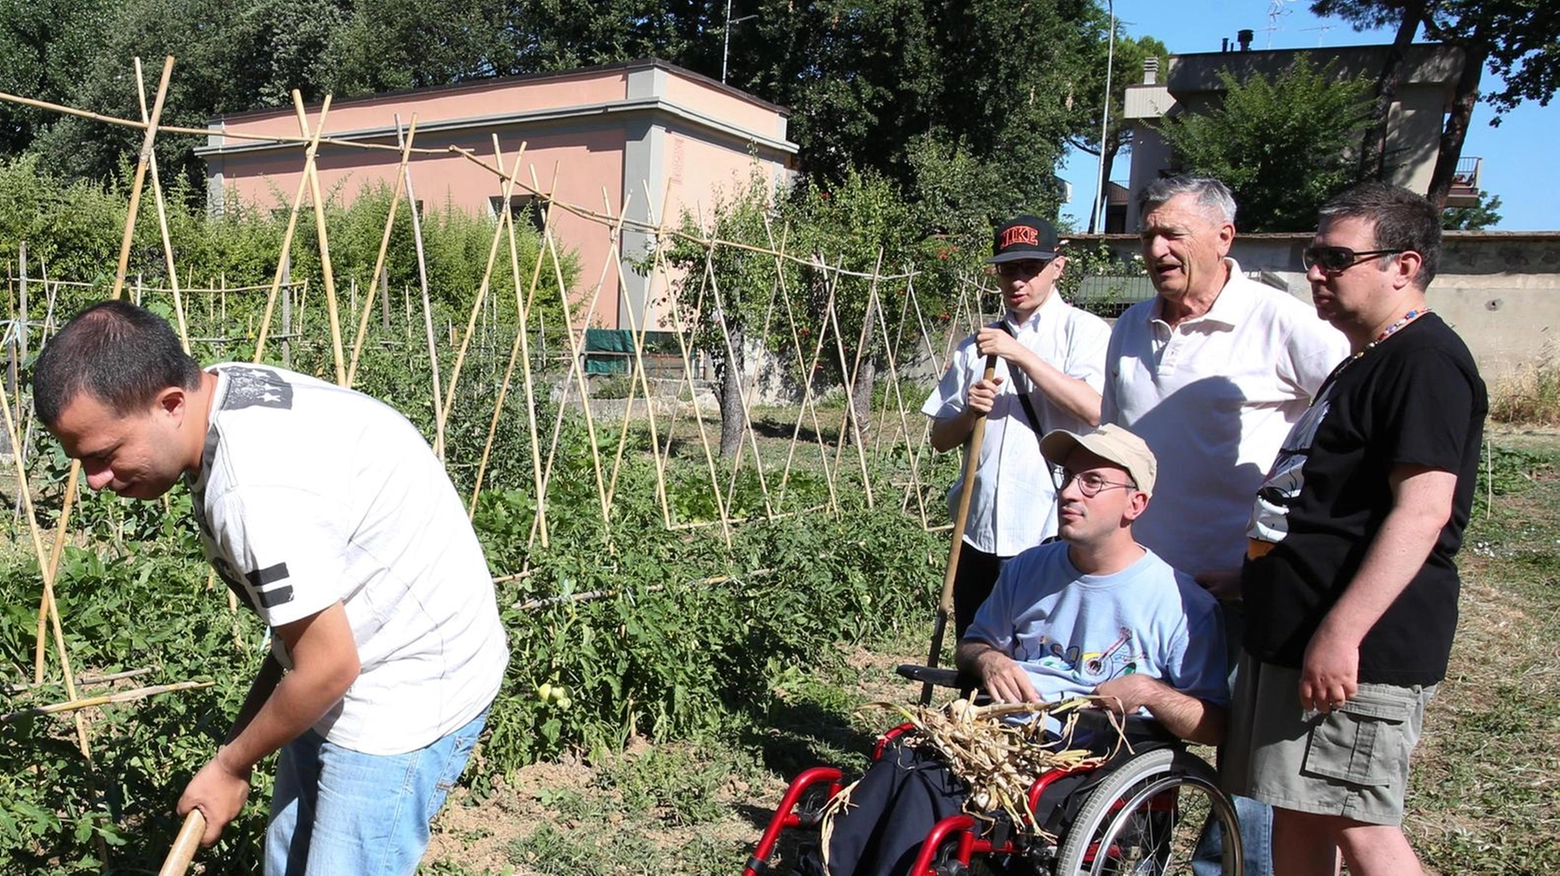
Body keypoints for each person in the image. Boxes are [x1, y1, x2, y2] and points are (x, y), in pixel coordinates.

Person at [32, 301, 510, 876]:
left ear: (171, 404)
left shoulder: (253, 488)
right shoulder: (217, 395)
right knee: (288, 860)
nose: (95, 479)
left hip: (412, 676)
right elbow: (302, 641)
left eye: (105, 455)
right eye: (81, 460)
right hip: (352, 646)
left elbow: (329, 667)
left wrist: (231, 765)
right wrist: (234, 751)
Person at [803, 424, 1229, 876]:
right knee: (901, 759)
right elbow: (972, 645)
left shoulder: (1181, 605)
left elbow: (1214, 726)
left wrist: (1149, 691)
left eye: (1092, 482)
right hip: (996, 735)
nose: (1069, 492)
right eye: (1066, 477)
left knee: (931, 783)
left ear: (1135, 503)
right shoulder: (1029, 568)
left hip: (1084, 759)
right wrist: (989, 658)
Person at [1227, 183, 1486, 876]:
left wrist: (1342, 633)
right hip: (1301, 635)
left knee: (1358, 825)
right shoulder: (1368, 356)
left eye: (1337, 258)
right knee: (1300, 810)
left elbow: (1424, 509)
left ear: (1404, 265)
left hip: (1356, 652)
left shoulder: (1424, 361)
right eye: (1315, 255)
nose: (1316, 271)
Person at [1102, 175, 1350, 876]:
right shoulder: (1129, 325)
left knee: (1245, 769)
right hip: (1148, 590)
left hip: (1243, 591)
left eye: (1172, 233)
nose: (1155, 248)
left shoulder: (1283, 323)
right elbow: (1115, 442)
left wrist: (1279, 559)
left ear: (1223, 237)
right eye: (1148, 234)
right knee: (1139, 744)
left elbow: (1345, 439)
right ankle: (1139, 865)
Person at [921, 214, 1110, 636]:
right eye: (1009, 269)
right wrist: (970, 413)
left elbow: (1094, 409)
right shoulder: (976, 346)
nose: (1018, 280)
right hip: (977, 530)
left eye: (1031, 268)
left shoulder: (1084, 332)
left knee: (1037, 658)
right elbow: (939, 439)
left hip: (1048, 528)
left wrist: (1020, 354)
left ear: (1057, 267)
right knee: (977, 649)